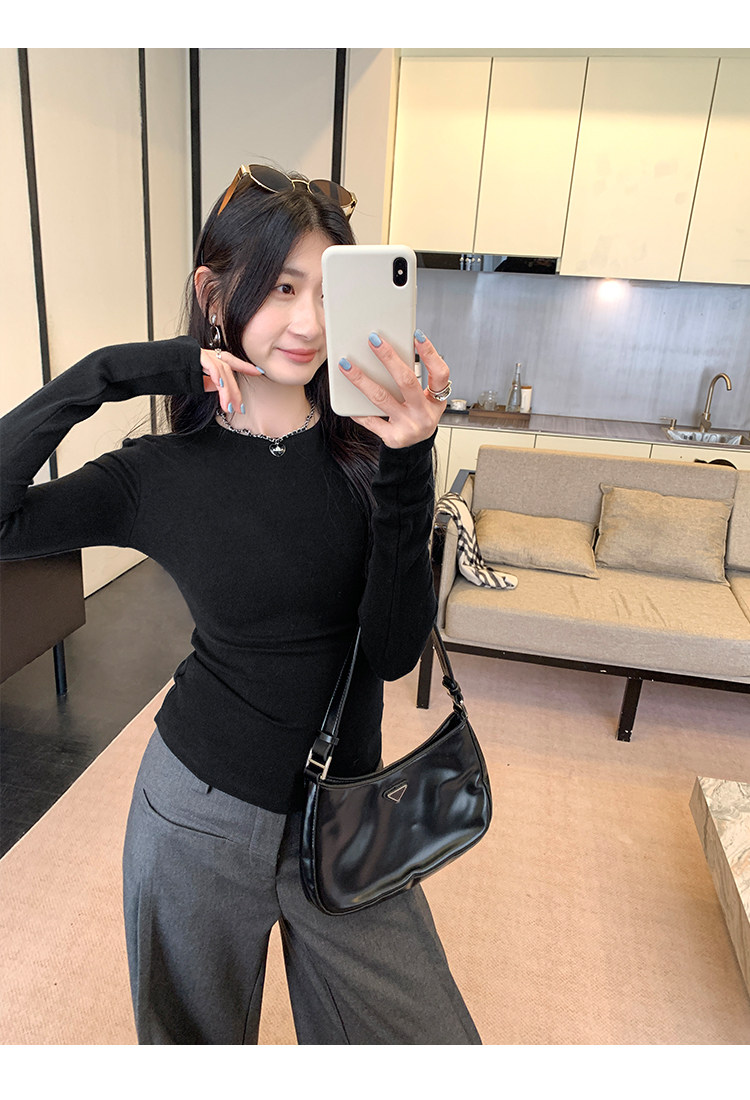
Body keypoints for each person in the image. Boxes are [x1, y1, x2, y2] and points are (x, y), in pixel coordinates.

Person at [0, 163, 480, 1045]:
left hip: (350, 821)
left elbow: (391, 654)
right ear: (214, 294)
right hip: (195, 815)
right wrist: (120, 369)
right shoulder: (156, 476)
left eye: (327, 291)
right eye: (282, 288)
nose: (309, 323)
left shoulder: (374, 451)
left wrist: (411, 457)